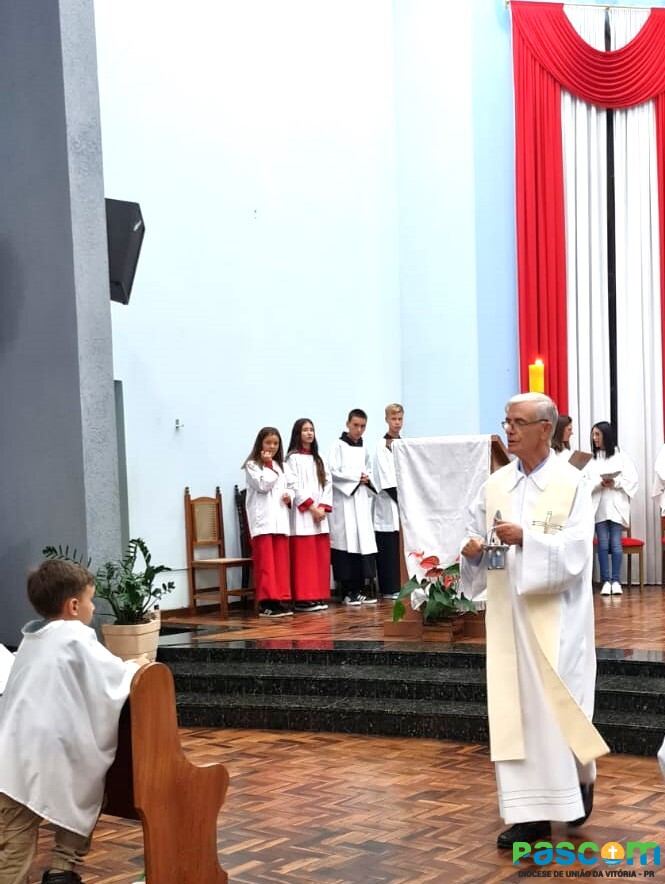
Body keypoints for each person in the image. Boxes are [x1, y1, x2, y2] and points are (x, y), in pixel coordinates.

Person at [460, 392, 608, 850]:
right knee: (516, 711)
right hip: (509, 619)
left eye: (519, 422)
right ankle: (529, 815)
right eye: (507, 421)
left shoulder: (572, 483)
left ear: (546, 428)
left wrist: (529, 539)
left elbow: (578, 552)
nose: (510, 430)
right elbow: (479, 539)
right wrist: (473, 552)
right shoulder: (496, 484)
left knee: (558, 708)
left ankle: (575, 788)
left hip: (558, 620)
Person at [0, 559, 148, 884]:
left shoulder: (31, 639)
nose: (93, 608)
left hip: (10, 761)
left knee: (14, 844)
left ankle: (60, 872)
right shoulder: (74, 635)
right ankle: (62, 868)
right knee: (86, 790)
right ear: (73, 605)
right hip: (41, 755)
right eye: (91, 600)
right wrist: (136, 666)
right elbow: (111, 677)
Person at [328, 409, 378, 606]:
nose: (359, 430)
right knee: (345, 546)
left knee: (361, 546)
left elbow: (370, 470)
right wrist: (356, 478)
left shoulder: (363, 448)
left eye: (363, 426)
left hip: (360, 501)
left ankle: (359, 589)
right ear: (347, 423)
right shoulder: (337, 446)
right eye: (355, 425)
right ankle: (348, 591)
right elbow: (333, 472)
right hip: (344, 503)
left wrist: (367, 478)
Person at [243, 426, 293, 618]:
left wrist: (290, 494)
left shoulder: (283, 466)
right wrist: (269, 465)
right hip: (263, 521)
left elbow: (292, 485)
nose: (272, 447)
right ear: (260, 444)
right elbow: (263, 485)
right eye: (268, 443)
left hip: (280, 520)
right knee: (266, 564)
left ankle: (280, 599)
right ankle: (266, 603)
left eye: (275, 443)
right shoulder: (252, 465)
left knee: (279, 563)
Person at [285, 418, 333, 612]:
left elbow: (328, 482)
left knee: (319, 557)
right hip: (303, 515)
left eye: (311, 429)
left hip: (319, 515)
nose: (309, 433)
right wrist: (312, 507)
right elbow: (293, 485)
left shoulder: (318, 457)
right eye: (305, 430)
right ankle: (304, 598)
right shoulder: (292, 459)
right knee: (304, 559)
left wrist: (322, 507)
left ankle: (318, 595)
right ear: (298, 433)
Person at [589, 421, 638, 597]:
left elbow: (632, 480)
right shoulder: (591, 459)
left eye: (598, 435)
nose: (594, 438)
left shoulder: (621, 456)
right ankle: (605, 581)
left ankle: (616, 580)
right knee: (603, 544)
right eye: (593, 435)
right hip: (600, 506)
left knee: (616, 544)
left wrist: (615, 482)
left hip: (616, 505)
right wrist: (599, 483)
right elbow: (584, 482)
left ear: (606, 436)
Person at [373, 403, 404, 600]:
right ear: (386, 420)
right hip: (389, 501)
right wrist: (402, 500)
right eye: (393, 419)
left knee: (398, 546)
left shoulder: (403, 444)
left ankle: (399, 585)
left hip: (401, 500)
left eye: (400, 419)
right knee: (388, 546)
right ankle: (388, 587)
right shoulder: (381, 445)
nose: (397, 423)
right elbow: (386, 478)